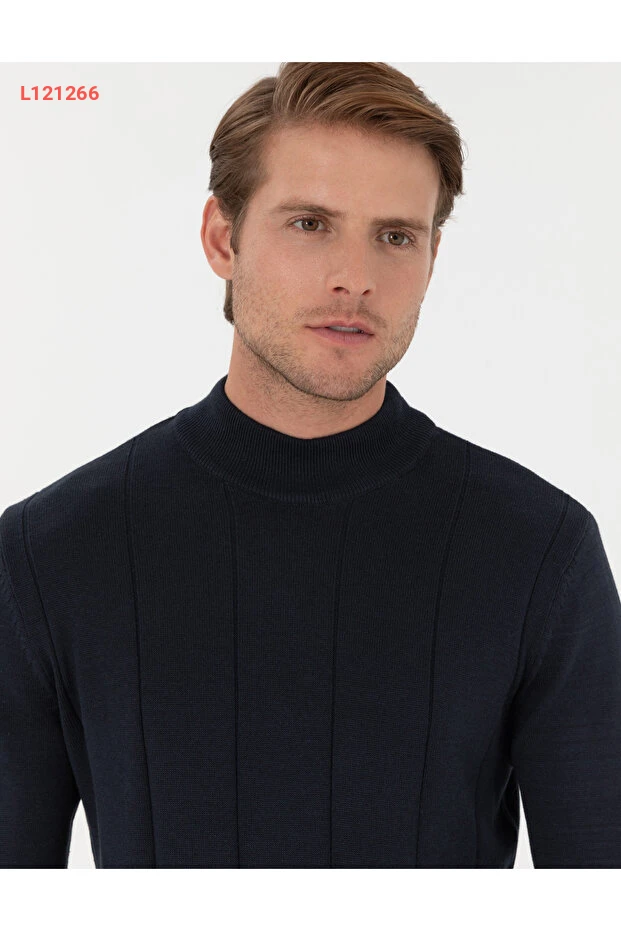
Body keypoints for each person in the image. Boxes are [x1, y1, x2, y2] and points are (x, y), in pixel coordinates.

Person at [1, 62, 620, 869]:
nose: (354, 279)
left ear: (432, 256)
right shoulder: (48, 553)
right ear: (222, 238)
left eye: (395, 236)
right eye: (309, 223)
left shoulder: (539, 551)